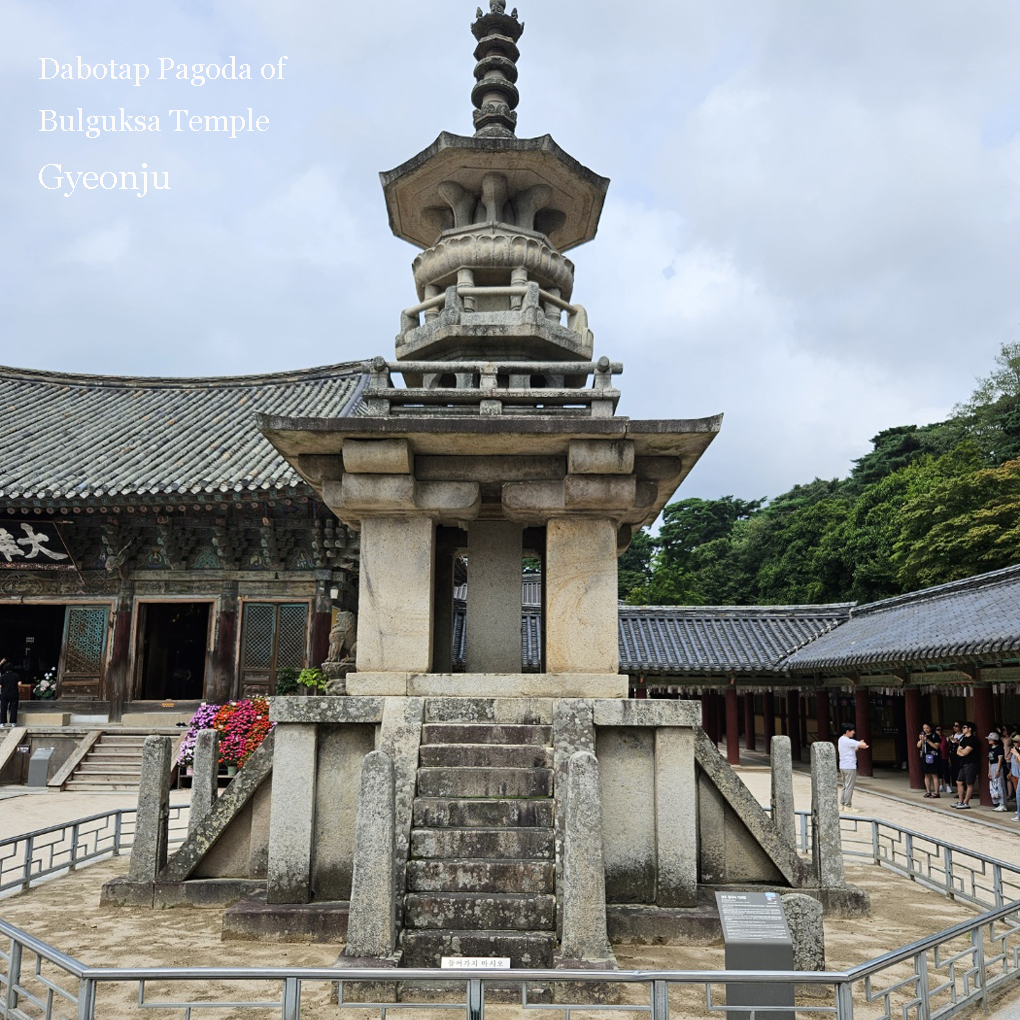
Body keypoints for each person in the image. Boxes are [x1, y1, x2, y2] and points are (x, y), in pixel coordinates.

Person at [837, 722, 869, 812]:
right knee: (849, 786)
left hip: (842, 765)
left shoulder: (841, 740)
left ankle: (842, 804)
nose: (853, 732)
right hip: (850, 766)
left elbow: (853, 749)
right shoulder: (848, 740)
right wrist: (862, 743)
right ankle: (848, 805)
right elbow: (863, 745)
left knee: (845, 786)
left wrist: (858, 746)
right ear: (847, 731)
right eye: (852, 731)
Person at [954, 721, 979, 809]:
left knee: (969, 783)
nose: (962, 729)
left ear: (970, 729)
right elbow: (958, 751)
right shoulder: (963, 739)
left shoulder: (973, 739)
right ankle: (960, 801)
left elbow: (965, 752)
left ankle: (966, 802)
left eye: (964, 727)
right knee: (959, 782)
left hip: (971, 763)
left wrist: (961, 752)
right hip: (963, 763)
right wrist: (961, 752)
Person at [917, 723, 941, 798]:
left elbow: (936, 747)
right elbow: (918, 746)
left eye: (927, 728)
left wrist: (927, 740)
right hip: (924, 756)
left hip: (933, 756)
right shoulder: (922, 735)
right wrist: (921, 740)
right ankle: (928, 791)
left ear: (931, 728)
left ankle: (936, 792)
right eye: (924, 728)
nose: (925, 730)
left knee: (934, 774)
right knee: (926, 774)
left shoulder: (935, 735)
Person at [988, 731, 1007, 812]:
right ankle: (998, 803)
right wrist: (989, 771)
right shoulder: (989, 748)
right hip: (992, 765)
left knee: (999, 784)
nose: (989, 740)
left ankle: (1003, 804)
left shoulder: (999, 748)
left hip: (997, 765)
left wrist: (997, 770)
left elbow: (1000, 759)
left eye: (990, 739)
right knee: (994, 784)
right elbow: (989, 760)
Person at [0, 657, 22, 727]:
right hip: (14, 693)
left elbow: (0, 686)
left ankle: (2, 723)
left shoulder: (2, 676)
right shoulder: (16, 675)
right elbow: (20, 684)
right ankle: (13, 722)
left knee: (3, 708)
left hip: (4, 693)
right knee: (13, 708)